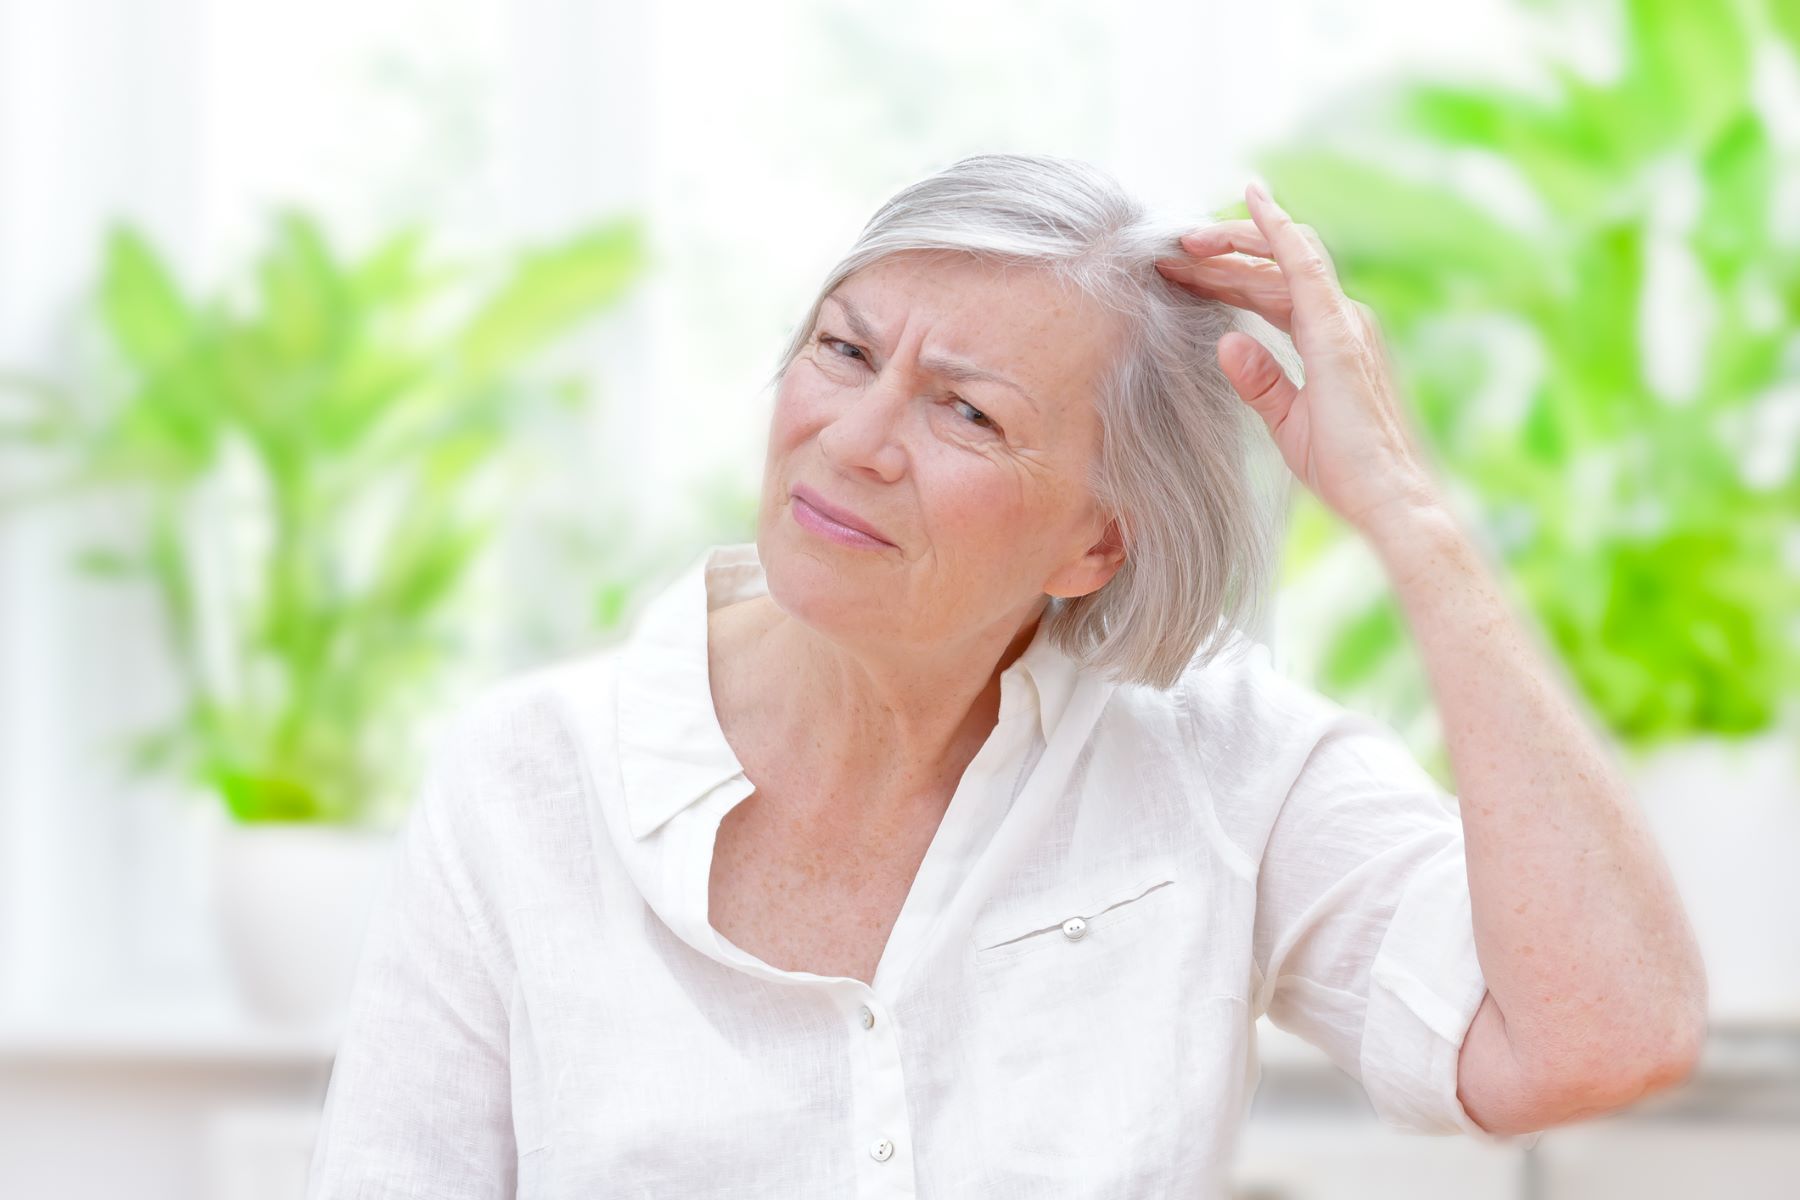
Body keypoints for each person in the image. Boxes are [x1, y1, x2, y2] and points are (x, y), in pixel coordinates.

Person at [305, 153, 1707, 1198]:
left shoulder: (1219, 762)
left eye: (965, 411)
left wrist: (1411, 514)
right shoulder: (527, 776)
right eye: (842, 351)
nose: (854, 437)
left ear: (1096, 542)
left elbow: (1602, 1038)